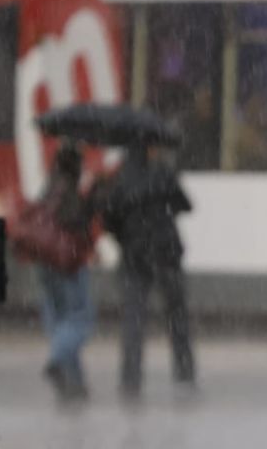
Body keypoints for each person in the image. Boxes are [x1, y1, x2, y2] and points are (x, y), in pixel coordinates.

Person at [99, 142, 197, 397]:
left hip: (135, 256)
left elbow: (108, 219)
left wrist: (126, 236)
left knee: (133, 319)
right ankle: (184, 373)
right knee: (177, 316)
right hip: (166, 254)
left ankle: (131, 378)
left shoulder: (121, 179)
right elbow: (186, 204)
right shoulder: (163, 174)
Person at [32, 143, 97, 402]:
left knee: (61, 321)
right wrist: (90, 200)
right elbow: (76, 224)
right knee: (81, 319)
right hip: (67, 263)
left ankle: (75, 382)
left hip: (45, 263)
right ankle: (57, 363)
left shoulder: (48, 188)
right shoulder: (68, 190)